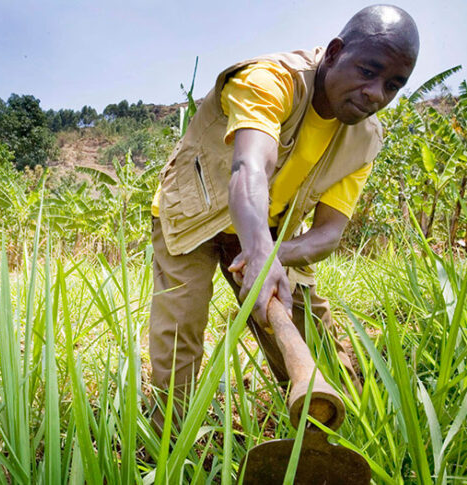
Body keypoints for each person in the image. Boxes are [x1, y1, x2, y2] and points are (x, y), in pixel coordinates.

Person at [148, 4, 419, 433]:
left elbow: (329, 233)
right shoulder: (270, 80)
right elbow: (249, 168)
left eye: (393, 85)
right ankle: (168, 442)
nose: (376, 94)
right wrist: (258, 252)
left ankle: (337, 425)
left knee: (304, 322)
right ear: (333, 53)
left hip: (268, 226)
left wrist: (271, 255)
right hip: (193, 213)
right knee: (178, 332)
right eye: (368, 71)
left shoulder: (365, 140)